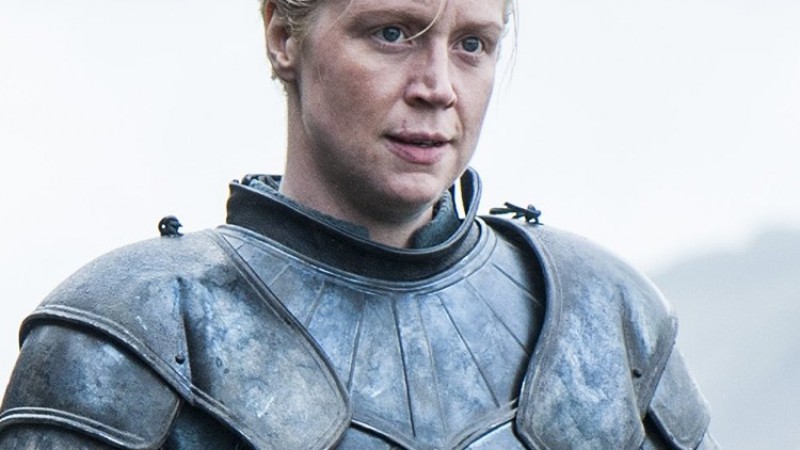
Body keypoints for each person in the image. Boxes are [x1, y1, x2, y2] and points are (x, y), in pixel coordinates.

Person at [0, 0, 717, 448]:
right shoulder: (133, 329)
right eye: (392, 33)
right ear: (283, 34)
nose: (437, 87)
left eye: (472, 44)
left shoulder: (604, 315)